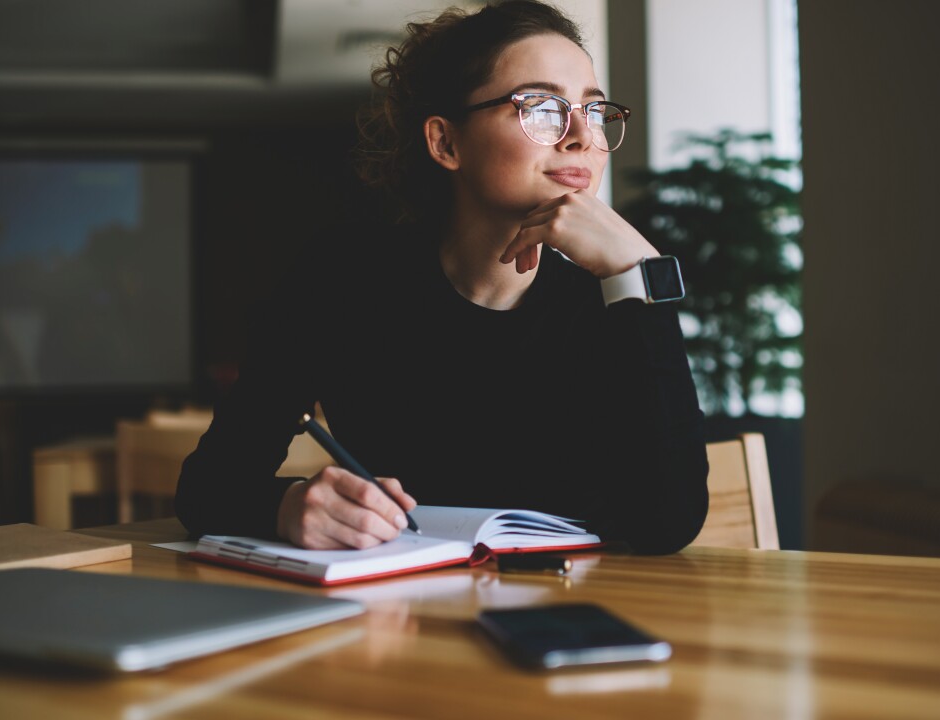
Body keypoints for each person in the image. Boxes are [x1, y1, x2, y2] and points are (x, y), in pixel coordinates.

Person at [176, 0, 709, 554]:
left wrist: (639, 276)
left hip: (574, 612)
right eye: (541, 106)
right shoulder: (340, 281)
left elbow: (666, 525)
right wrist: (287, 507)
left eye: (594, 111)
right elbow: (207, 488)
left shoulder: (613, 305)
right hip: (396, 614)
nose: (581, 135)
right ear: (446, 143)